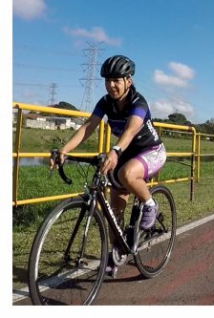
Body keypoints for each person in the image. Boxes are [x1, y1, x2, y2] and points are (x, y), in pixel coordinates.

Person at [50, 55, 167, 278]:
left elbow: (130, 130)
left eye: (116, 80)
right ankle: (116, 252)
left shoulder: (138, 102)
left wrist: (114, 151)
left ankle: (150, 204)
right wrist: (64, 150)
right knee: (114, 211)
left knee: (126, 174)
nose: (111, 85)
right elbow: (88, 126)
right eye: (107, 80)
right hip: (126, 153)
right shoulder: (105, 102)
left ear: (128, 81)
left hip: (151, 151)